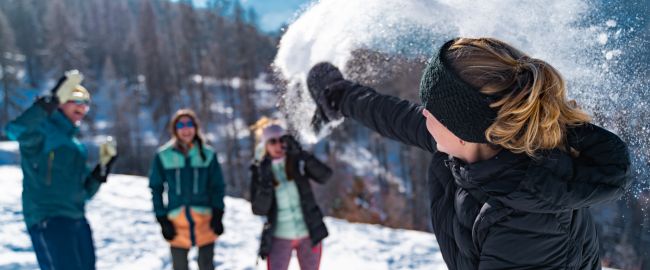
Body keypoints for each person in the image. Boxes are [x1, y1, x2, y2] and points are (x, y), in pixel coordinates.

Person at [307, 37, 632, 269]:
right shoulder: (480, 143)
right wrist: (340, 97)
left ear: (462, 131)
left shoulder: (526, 227)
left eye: (431, 109)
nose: (423, 114)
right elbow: (396, 117)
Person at [4, 70, 118, 270]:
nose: (82, 106)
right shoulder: (42, 130)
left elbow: (84, 193)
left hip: (77, 219)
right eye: (75, 99)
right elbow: (15, 131)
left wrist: (101, 171)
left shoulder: (76, 145)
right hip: (48, 219)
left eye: (86, 102)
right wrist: (47, 104)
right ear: (61, 101)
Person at [249, 121, 333, 270]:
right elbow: (259, 209)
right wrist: (266, 181)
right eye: (272, 141)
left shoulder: (297, 161)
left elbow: (325, 176)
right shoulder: (260, 171)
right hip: (279, 236)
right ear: (265, 146)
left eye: (282, 140)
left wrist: (302, 154)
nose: (278, 145)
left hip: (309, 232)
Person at [149, 109, 226, 270]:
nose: (186, 129)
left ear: (196, 127)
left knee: (206, 265)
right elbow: (156, 188)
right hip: (176, 220)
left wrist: (218, 213)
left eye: (189, 124)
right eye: (181, 125)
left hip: (205, 218)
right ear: (174, 129)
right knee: (179, 266)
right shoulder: (164, 155)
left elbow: (217, 186)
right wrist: (162, 218)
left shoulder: (208, 154)